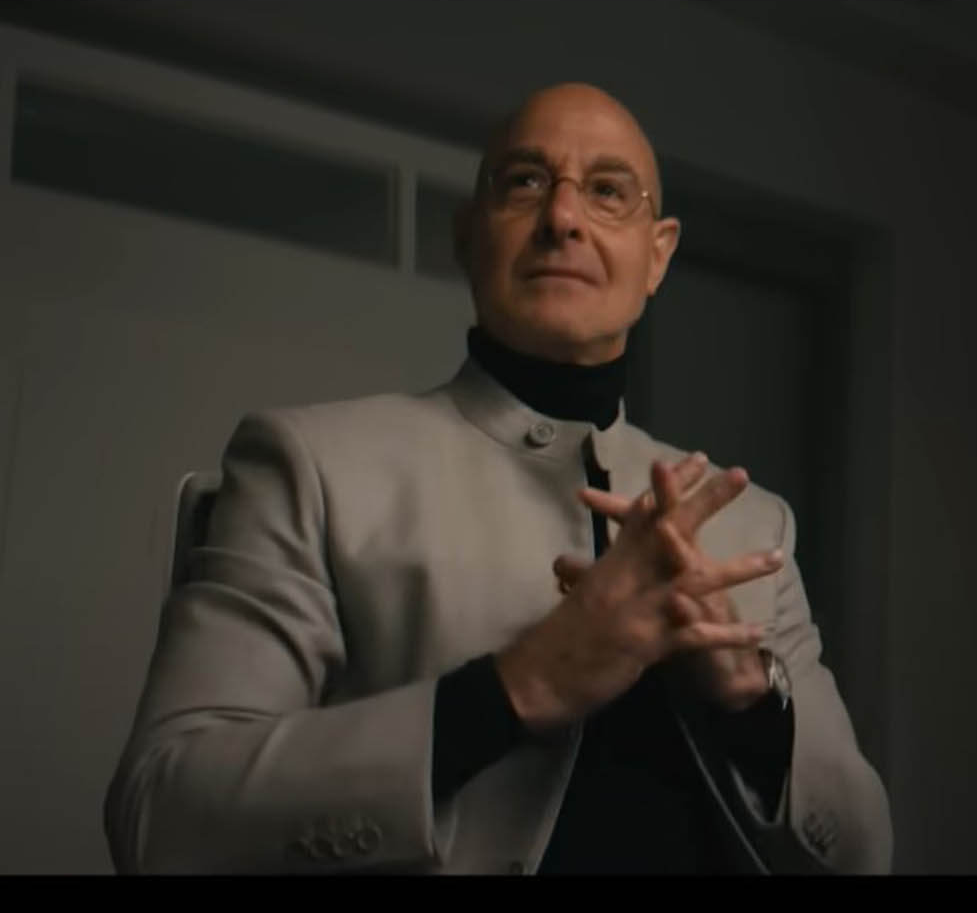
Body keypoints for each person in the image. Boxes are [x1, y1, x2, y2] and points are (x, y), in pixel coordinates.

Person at [102, 83, 892, 875]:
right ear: (468, 234)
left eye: (608, 192)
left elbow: (864, 855)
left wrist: (750, 700)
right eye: (525, 182)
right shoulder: (310, 466)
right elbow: (161, 818)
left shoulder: (754, 526)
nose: (563, 217)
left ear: (658, 254)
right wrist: (520, 686)